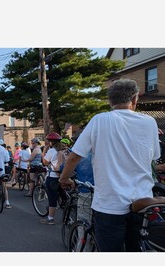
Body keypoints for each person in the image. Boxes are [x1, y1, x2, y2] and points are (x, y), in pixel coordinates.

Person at [59, 78, 160, 252]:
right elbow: (153, 157)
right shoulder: (150, 122)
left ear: (109, 101)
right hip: (142, 201)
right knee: (136, 248)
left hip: (110, 203)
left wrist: (64, 178)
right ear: (135, 99)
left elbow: (75, 156)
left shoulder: (100, 119)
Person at [40, 132, 65, 225]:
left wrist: (44, 152)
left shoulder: (51, 151)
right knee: (62, 196)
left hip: (52, 177)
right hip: (61, 175)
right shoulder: (61, 150)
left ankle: (50, 219)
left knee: (52, 198)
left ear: (51, 142)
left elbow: (45, 162)